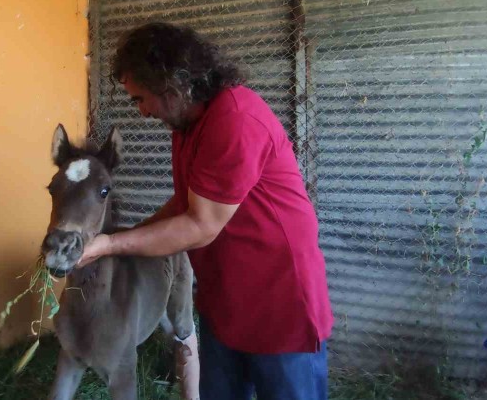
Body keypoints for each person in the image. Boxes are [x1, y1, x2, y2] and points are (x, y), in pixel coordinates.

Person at [78, 22, 333, 400]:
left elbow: (201, 225)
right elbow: (186, 202)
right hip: (227, 299)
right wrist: (130, 235)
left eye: (141, 98)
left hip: (278, 303)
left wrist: (113, 244)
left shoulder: (235, 119)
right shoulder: (187, 128)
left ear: (171, 85)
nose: (143, 112)